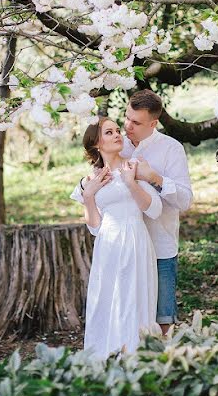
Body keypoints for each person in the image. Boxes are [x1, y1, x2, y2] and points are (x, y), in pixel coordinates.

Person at [71, 117, 163, 359]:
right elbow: (94, 228)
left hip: (135, 239)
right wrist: (89, 197)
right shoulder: (90, 180)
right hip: (107, 245)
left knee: (134, 300)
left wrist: (131, 184)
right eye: (108, 132)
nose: (117, 135)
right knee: (106, 301)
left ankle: (135, 360)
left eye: (117, 130)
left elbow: (154, 209)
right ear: (96, 143)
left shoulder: (135, 167)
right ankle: (104, 362)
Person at [121, 89, 193, 335]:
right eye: (127, 117)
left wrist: (154, 177)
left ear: (153, 123)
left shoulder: (171, 149)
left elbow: (185, 200)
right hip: (125, 248)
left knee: (162, 318)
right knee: (128, 314)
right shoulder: (116, 145)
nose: (128, 126)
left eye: (136, 122)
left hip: (159, 246)